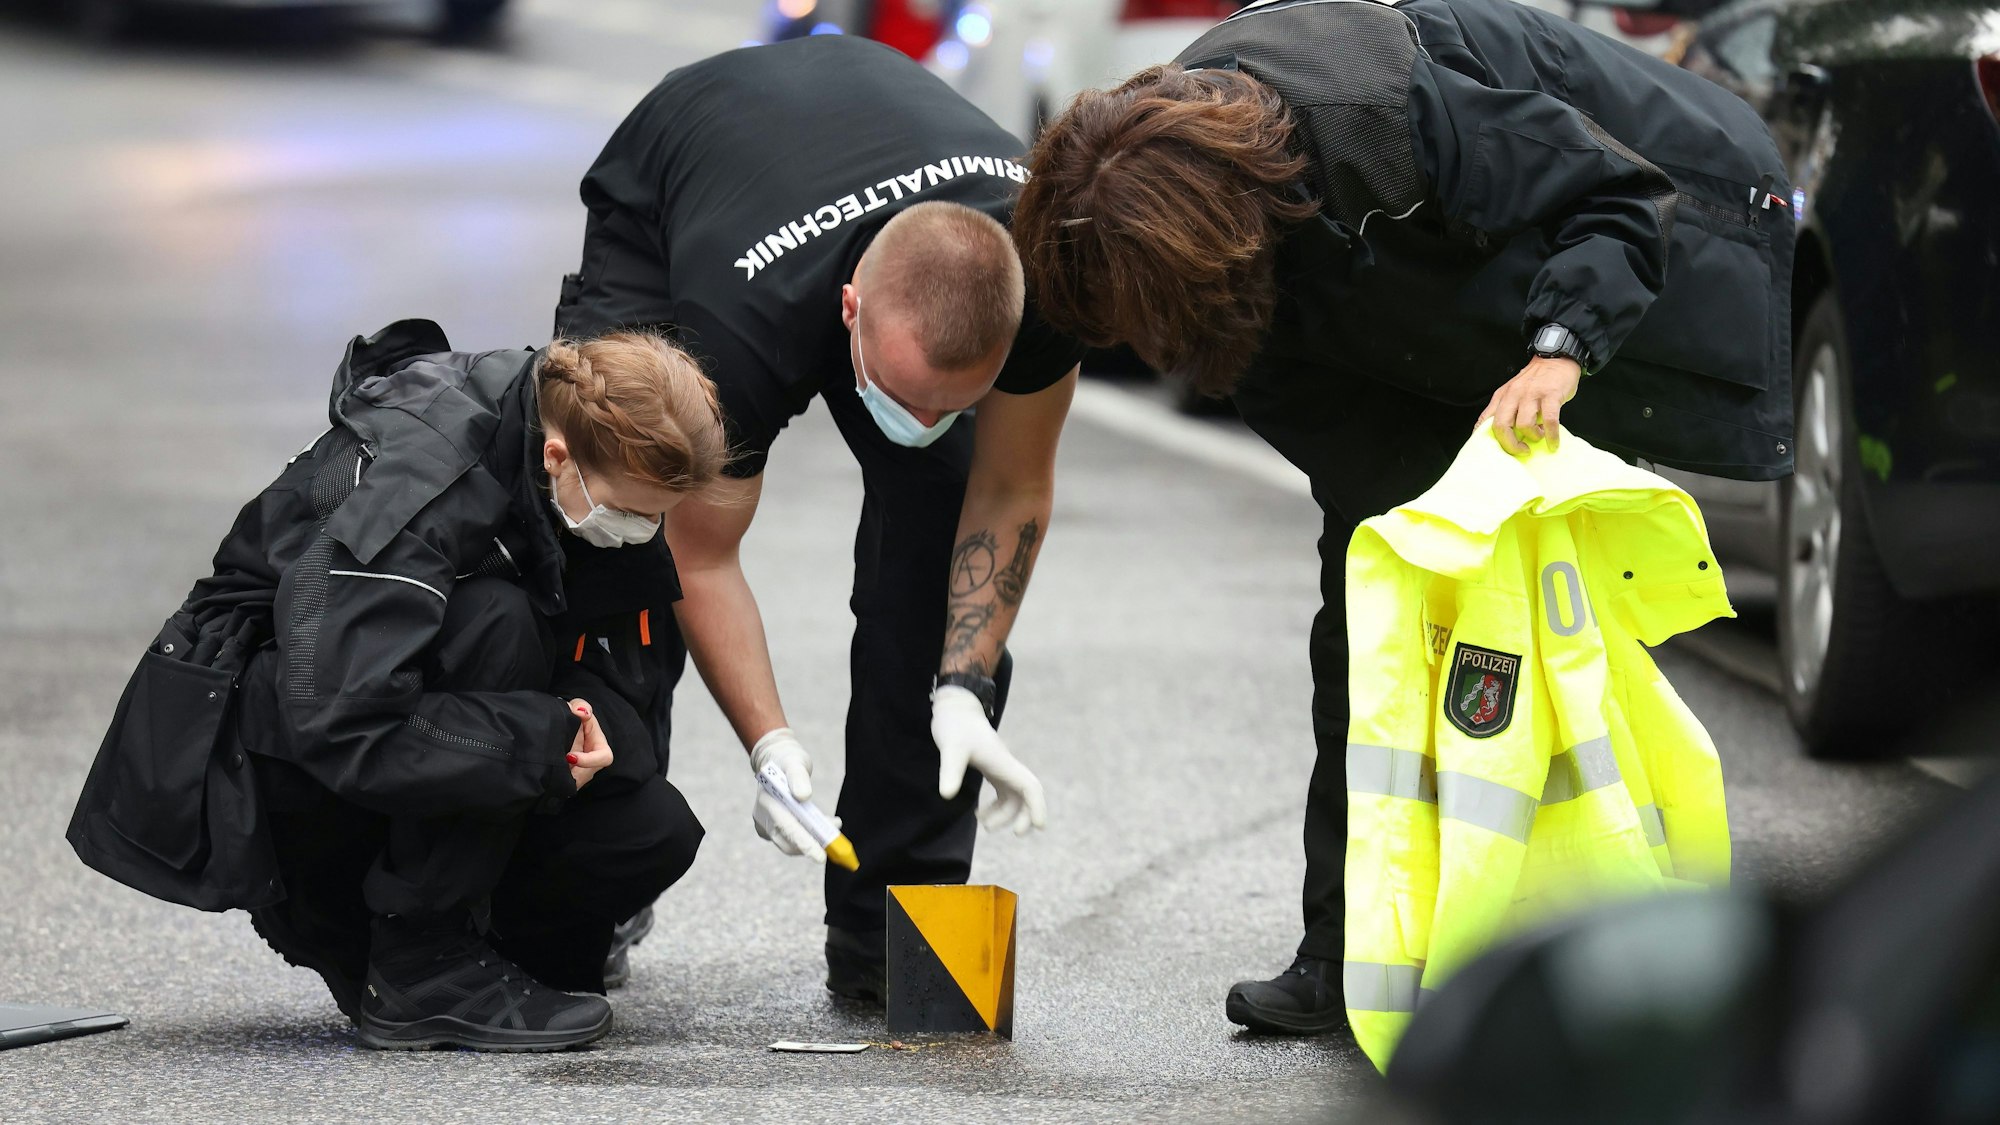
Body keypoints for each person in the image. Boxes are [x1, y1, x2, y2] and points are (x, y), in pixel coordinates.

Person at [1010, 0, 1794, 1035]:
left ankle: (1600, 945)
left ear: (1209, 240)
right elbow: (1281, 382)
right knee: (1371, 622)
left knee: (1550, 639)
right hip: (1400, 333)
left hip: (1628, 238)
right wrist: (1412, 540)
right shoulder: (1161, 194)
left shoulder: (1383, 113)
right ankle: (1342, 957)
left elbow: (1610, 193)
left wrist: (1562, 346)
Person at [555, 34, 1085, 1002]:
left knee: (936, 541)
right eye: (903, 398)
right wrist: (769, 744)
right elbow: (700, 555)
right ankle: (592, 880)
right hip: (694, 162)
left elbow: (1009, 491)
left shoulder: (1047, 279)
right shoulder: (730, 338)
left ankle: (896, 927)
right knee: (611, 527)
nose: (920, 427)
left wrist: (961, 687)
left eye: (951, 405)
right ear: (848, 312)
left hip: (866, 140)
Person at [69, 320, 730, 1052]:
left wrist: (584, 735)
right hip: (266, 761)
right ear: (557, 456)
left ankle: (473, 952)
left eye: (657, 515)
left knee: (649, 827)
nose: (643, 528)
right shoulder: (426, 481)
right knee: (497, 621)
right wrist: (539, 746)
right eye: (635, 511)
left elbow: (623, 691)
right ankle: (420, 963)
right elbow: (340, 719)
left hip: (393, 732)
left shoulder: (577, 458)